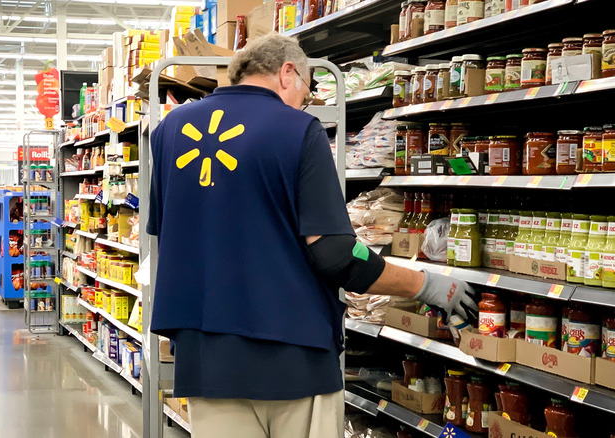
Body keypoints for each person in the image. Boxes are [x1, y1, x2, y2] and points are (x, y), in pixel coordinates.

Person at [146, 33, 477, 438]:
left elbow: (169, 233)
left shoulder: (168, 130)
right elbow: (336, 253)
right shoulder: (298, 129)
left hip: (204, 359)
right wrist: (427, 286)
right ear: (288, 72)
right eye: (306, 92)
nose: (305, 103)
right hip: (291, 354)